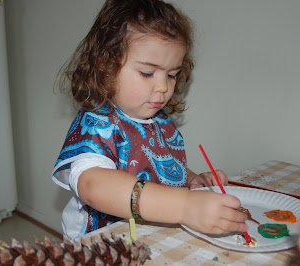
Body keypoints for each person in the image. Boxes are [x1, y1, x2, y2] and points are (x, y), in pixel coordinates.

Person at [52, 0, 248, 240]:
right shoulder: (97, 124)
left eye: (172, 74)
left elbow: (158, 166)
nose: (163, 86)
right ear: (106, 67)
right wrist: (185, 206)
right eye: (147, 73)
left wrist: (192, 180)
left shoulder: (161, 122)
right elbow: (93, 186)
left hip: (150, 238)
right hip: (98, 244)